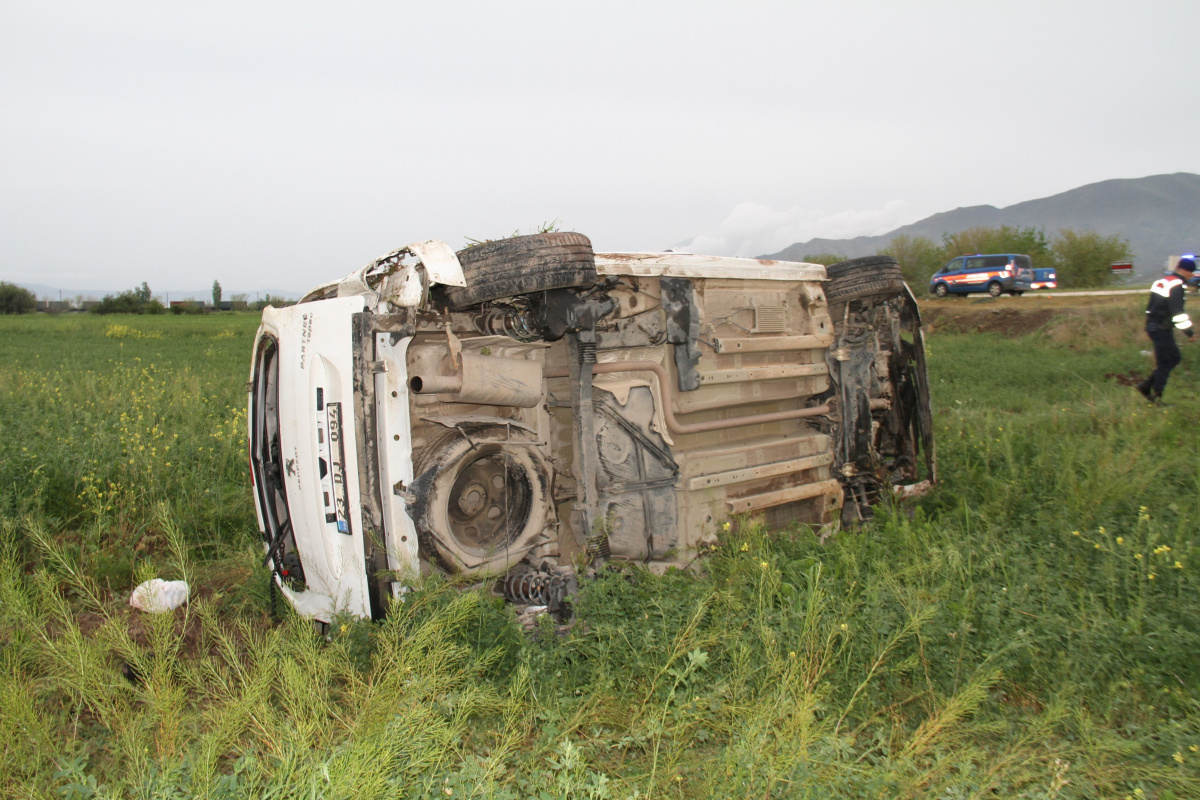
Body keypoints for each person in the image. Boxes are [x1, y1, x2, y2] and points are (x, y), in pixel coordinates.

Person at [1138, 257, 1196, 402]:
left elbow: (1150, 306)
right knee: (1166, 361)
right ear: (1183, 270)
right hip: (1161, 327)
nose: (1192, 274)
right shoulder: (1176, 285)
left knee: (1174, 358)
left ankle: (1146, 385)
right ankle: (1157, 396)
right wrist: (1189, 332)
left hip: (1154, 325)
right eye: (1191, 271)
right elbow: (1178, 313)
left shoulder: (1163, 281)